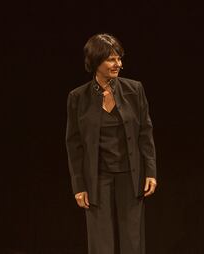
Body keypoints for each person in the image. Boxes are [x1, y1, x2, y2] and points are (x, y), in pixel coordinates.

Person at [66, 33, 157, 254]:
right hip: (97, 177)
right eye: (112, 59)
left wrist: (151, 171)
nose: (118, 64)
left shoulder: (134, 89)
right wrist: (79, 186)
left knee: (132, 240)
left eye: (119, 59)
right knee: (100, 243)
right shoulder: (78, 97)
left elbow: (145, 133)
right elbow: (74, 144)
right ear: (96, 62)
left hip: (130, 173)